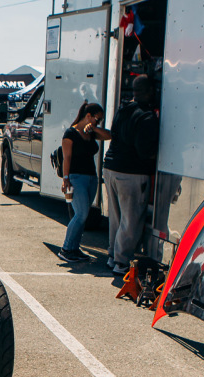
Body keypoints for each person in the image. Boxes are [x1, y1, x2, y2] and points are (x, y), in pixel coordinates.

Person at [103, 76, 160, 275]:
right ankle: (122, 262)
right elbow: (144, 150)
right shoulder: (147, 116)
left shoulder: (122, 109)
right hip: (132, 172)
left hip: (110, 167)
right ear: (150, 91)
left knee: (116, 218)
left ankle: (112, 256)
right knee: (131, 220)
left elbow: (114, 135)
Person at [58, 101, 111, 263]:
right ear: (88, 116)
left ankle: (75, 248)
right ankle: (66, 248)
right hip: (76, 177)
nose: (98, 122)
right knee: (81, 214)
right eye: (97, 119)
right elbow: (67, 158)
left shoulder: (91, 132)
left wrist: (95, 129)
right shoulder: (70, 133)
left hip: (91, 178)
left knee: (84, 215)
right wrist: (65, 179)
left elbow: (109, 135)